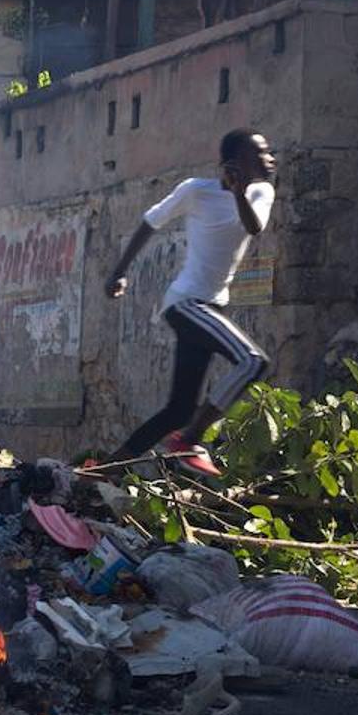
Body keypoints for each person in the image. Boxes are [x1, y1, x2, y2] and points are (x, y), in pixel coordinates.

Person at [106, 129, 277, 477]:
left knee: (179, 408)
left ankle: (109, 467)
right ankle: (190, 440)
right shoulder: (196, 190)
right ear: (234, 161)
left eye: (267, 153)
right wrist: (118, 273)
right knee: (253, 361)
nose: (268, 159)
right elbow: (150, 222)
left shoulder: (262, 191)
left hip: (211, 307)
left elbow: (254, 227)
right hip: (185, 303)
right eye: (258, 154)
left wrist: (240, 193)